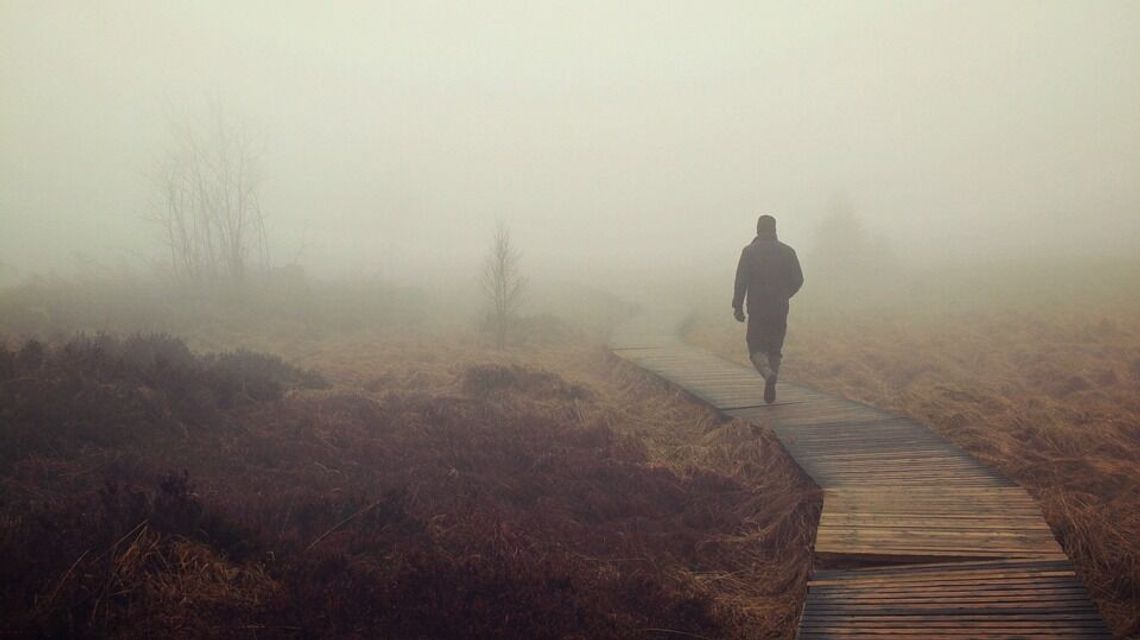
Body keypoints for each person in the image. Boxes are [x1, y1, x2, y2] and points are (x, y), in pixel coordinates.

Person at [732, 214, 804, 404]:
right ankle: (772, 377)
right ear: (774, 229)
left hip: (757, 308)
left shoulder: (749, 252)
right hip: (780, 308)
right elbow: (798, 279)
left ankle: (766, 373)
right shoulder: (788, 251)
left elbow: (741, 281)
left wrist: (737, 306)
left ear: (758, 229)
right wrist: (784, 294)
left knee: (755, 346)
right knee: (775, 348)